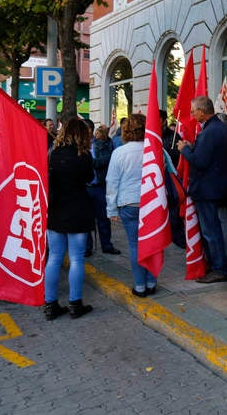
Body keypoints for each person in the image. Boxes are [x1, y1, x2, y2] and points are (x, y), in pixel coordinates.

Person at [45, 118, 95, 320]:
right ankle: (75, 304)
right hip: (78, 210)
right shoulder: (83, 156)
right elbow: (90, 179)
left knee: (54, 258)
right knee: (76, 259)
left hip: (55, 210)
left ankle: (50, 305)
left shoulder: (53, 154)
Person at [177, 97, 227, 284]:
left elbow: (200, 161)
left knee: (210, 230)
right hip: (213, 186)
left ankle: (219, 269)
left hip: (208, 189)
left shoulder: (210, 131)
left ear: (202, 111)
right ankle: (217, 264)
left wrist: (185, 149)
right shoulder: (216, 128)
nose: (191, 114)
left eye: (193, 111)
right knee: (213, 228)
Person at [106, 114, 158, 297]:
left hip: (128, 203)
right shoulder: (155, 149)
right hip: (153, 202)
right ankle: (152, 282)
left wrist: (111, 209)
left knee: (135, 245)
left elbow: (112, 182)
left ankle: (140, 286)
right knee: (153, 243)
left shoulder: (119, 152)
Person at [87, 124, 120, 256]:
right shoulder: (79, 146)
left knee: (103, 218)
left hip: (100, 186)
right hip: (86, 186)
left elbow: (107, 159)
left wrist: (92, 162)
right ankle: (87, 247)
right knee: (87, 219)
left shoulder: (104, 143)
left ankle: (106, 245)